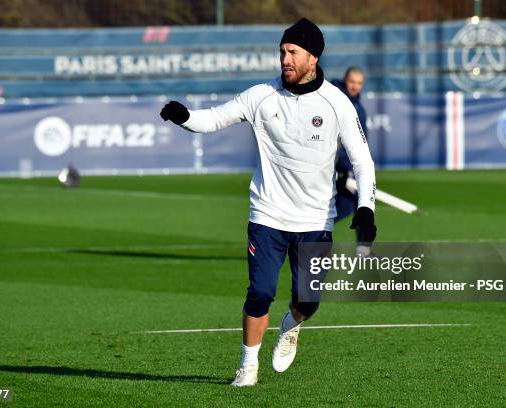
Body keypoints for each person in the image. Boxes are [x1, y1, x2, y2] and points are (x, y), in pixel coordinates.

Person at [160, 18, 377, 387]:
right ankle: (248, 365)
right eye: (282, 52)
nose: (285, 59)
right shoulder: (261, 95)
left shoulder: (338, 104)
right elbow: (215, 118)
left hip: (315, 220)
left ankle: (291, 325)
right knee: (260, 291)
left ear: (313, 56)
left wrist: (366, 209)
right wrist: (185, 118)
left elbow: (362, 160)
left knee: (307, 303)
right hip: (267, 214)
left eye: (293, 52)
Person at [331, 66, 369, 224]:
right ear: (345, 80)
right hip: (329, 164)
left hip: (345, 167)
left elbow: (360, 143)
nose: (355, 86)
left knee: (358, 203)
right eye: (352, 81)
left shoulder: (359, 109)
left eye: (359, 83)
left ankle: (364, 248)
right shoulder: (334, 98)